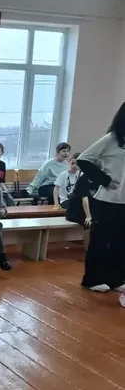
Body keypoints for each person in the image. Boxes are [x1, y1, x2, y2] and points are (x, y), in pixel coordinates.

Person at [76, 103, 125, 297]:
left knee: (121, 242)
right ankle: (93, 279)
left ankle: (117, 278)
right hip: (107, 200)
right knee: (100, 240)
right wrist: (104, 179)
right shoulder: (111, 139)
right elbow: (83, 159)